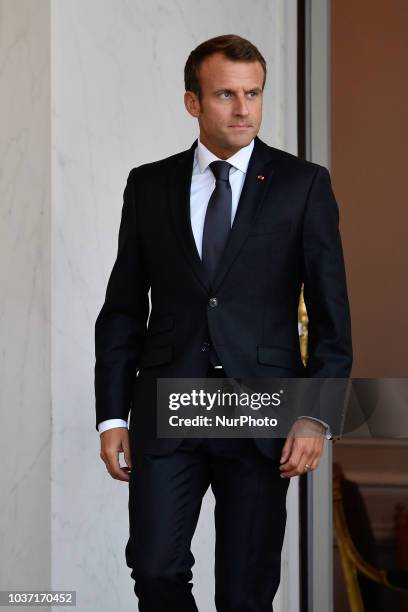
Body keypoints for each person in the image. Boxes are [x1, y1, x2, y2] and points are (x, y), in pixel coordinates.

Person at [94, 34, 352, 611]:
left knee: (246, 592)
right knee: (156, 569)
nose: (243, 110)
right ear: (193, 102)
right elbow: (123, 310)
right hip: (167, 410)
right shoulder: (149, 184)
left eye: (253, 94)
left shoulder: (302, 185)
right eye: (226, 95)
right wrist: (112, 417)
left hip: (262, 417)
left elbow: (334, 315)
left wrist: (315, 414)